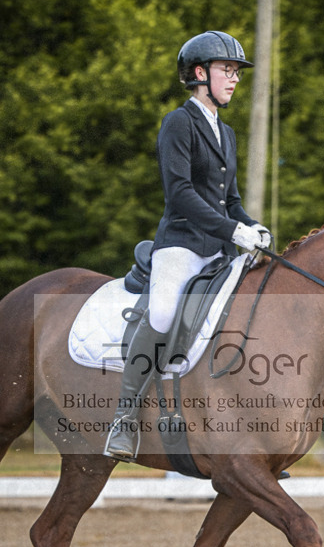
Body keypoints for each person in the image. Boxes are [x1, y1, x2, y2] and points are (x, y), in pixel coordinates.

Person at [104, 30, 271, 461]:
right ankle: (124, 418)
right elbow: (179, 192)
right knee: (162, 313)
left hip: (220, 250)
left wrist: (253, 226)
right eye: (227, 70)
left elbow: (231, 201)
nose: (234, 79)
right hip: (181, 244)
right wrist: (233, 231)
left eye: (236, 72)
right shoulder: (178, 122)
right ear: (200, 73)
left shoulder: (227, 133)